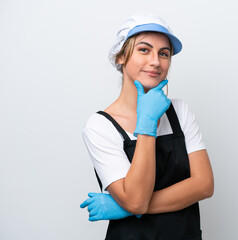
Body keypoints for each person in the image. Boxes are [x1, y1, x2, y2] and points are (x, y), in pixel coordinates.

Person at [80, 13, 214, 240]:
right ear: (121, 56)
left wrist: (125, 208)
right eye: (144, 49)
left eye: (164, 53)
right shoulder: (99, 126)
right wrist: (147, 123)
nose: (156, 62)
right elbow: (136, 199)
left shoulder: (179, 111)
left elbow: (204, 185)